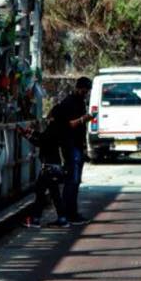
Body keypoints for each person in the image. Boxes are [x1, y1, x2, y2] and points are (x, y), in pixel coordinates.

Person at [49, 76, 92, 223]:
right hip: (70, 145)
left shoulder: (80, 102)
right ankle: (68, 213)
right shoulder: (70, 103)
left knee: (75, 181)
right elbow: (70, 124)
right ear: (79, 88)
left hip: (77, 145)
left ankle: (71, 212)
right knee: (71, 181)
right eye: (84, 90)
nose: (85, 92)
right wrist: (83, 119)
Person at [25, 115, 67, 228]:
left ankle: (35, 219)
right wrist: (31, 132)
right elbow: (42, 137)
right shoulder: (57, 131)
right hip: (56, 167)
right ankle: (62, 219)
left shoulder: (51, 130)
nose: (48, 119)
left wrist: (27, 135)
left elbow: (40, 141)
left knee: (40, 193)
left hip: (48, 168)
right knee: (55, 194)